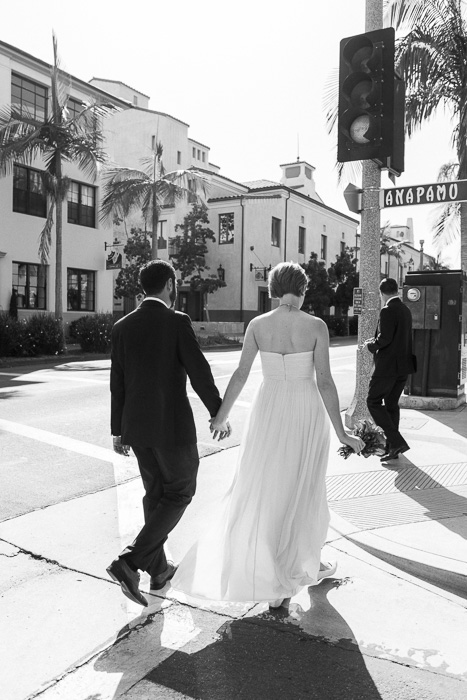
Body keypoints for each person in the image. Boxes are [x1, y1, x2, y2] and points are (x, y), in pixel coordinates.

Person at [172, 261, 364, 608]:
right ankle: (300, 565)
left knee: (264, 486)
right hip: (305, 410)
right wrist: (342, 432)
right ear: (302, 289)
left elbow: (242, 374)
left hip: (269, 408)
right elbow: (324, 381)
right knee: (303, 487)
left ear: (274, 290)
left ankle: (275, 572)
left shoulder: (258, 324)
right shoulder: (315, 326)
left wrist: (220, 416)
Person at [107, 259, 225, 607]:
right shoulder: (177, 322)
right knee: (181, 491)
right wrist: (217, 412)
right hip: (172, 428)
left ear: (143, 287)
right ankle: (129, 561)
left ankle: (158, 572)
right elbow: (199, 370)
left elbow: (118, 384)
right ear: (170, 285)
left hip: (137, 428)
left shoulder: (122, 326)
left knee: (156, 494)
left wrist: (118, 430)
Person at [363, 277, 416, 462]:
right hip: (403, 368)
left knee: (373, 401)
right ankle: (393, 447)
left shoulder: (387, 310)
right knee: (391, 404)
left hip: (387, 368)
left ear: (381, 293)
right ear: (397, 290)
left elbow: (384, 339)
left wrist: (370, 345)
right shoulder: (405, 310)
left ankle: (396, 441)